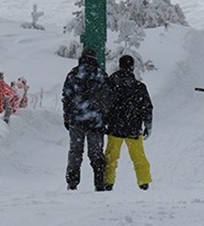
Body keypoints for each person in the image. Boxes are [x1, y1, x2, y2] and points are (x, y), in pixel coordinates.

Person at [63, 48, 112, 191]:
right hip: (96, 121)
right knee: (96, 153)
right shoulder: (101, 75)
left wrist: (67, 116)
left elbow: (67, 96)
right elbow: (108, 99)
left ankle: (72, 182)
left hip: (76, 119)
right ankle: (99, 182)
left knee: (75, 151)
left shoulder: (74, 74)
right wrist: (105, 117)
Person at [102, 54, 152, 191]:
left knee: (111, 157)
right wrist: (148, 125)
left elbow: (104, 104)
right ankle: (144, 181)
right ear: (132, 67)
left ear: (119, 65)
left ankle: (108, 181)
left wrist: (104, 121)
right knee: (139, 156)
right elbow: (147, 107)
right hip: (133, 128)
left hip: (115, 128)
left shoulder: (111, 84)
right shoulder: (139, 86)